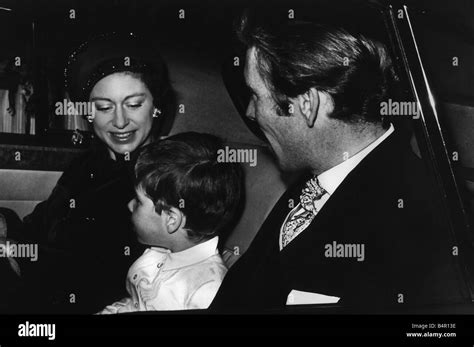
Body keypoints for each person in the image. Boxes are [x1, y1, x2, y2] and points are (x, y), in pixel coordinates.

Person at [210, 11, 468, 312]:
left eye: (256, 95)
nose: (251, 112)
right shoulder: (315, 178)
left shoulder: (420, 222)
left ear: (307, 106)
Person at [1, 32, 175, 313]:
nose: (119, 121)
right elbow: (44, 222)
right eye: (104, 107)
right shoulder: (85, 164)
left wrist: (16, 256)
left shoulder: (162, 179)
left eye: (133, 104)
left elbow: (106, 276)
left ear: (156, 107)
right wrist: (7, 226)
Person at [98, 132, 243, 313]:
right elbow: (134, 303)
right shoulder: (160, 252)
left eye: (138, 201)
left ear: (171, 219)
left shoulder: (206, 292)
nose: (129, 205)